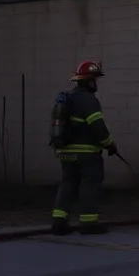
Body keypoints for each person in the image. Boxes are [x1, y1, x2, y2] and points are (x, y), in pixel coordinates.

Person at [51, 60, 119, 235]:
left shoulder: (69, 99)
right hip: (86, 154)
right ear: (89, 81)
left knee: (68, 183)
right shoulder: (89, 100)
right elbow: (98, 127)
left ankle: (59, 221)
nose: (96, 83)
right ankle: (88, 223)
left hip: (65, 152)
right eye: (94, 79)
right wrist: (110, 144)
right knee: (90, 184)